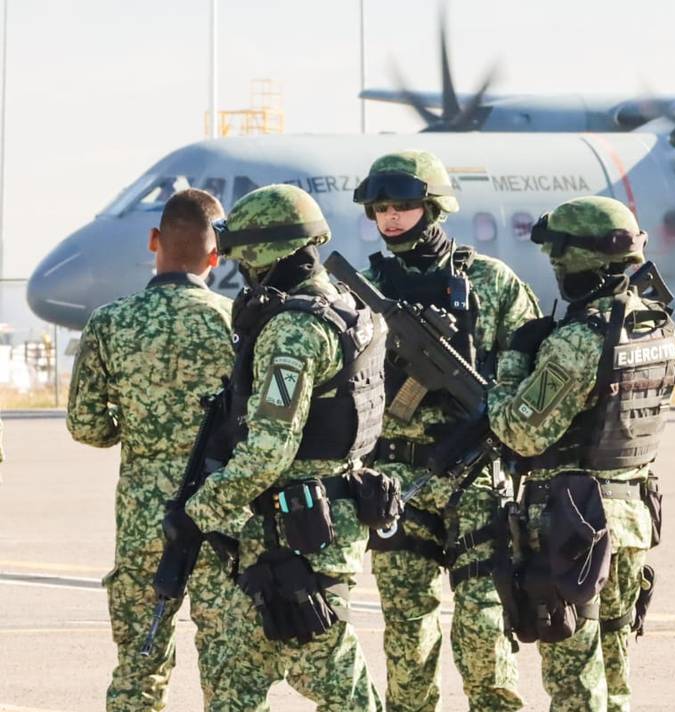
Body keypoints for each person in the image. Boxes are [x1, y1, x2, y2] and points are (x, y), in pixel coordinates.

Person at [177, 183, 391, 710]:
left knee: (331, 684)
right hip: (318, 526)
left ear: (262, 253)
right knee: (239, 681)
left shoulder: (294, 330)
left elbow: (268, 451)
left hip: (293, 539)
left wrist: (197, 512)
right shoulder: (349, 308)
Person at [353, 150, 537, 711]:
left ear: (433, 206)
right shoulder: (362, 289)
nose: (390, 219)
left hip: (474, 476)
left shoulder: (488, 281)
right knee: (407, 630)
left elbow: (530, 369)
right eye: (381, 208)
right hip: (394, 479)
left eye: (403, 206)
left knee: (483, 622)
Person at [487, 196, 675, 712]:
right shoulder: (656, 325)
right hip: (632, 516)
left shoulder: (578, 339)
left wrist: (512, 364)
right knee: (614, 677)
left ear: (575, 260)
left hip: (574, 526)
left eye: (559, 256)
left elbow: (519, 433)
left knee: (574, 682)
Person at [67, 188, 235, 711]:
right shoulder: (236, 324)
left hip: (144, 521)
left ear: (153, 241)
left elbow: (86, 426)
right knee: (228, 673)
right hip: (219, 516)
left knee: (139, 669)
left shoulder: (110, 323)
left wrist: (137, 431)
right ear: (216, 256)